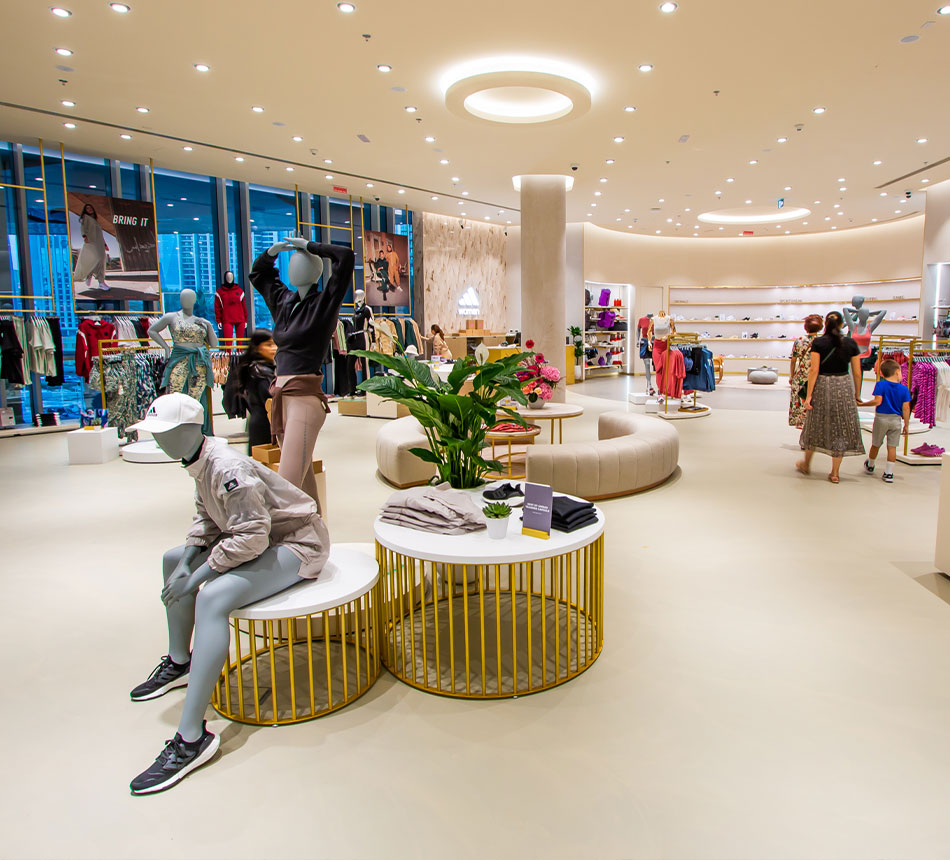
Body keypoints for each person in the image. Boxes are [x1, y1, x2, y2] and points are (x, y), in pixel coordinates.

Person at [126, 393, 329, 794]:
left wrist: (198, 575)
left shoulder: (226, 466)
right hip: (262, 536)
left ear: (190, 430)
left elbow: (251, 537)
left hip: (296, 541)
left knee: (211, 597)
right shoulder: (199, 461)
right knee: (172, 561)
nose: (160, 443)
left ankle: (190, 737)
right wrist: (186, 562)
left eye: (164, 434)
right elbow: (208, 517)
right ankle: (179, 661)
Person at [797, 311, 865, 483]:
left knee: (814, 424)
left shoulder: (819, 342)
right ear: (842, 325)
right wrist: (857, 393)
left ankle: (806, 464)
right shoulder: (850, 343)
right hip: (843, 386)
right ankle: (835, 472)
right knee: (841, 426)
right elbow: (857, 372)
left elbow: (814, 370)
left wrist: (809, 395)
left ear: (825, 325)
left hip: (823, 385)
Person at [862, 358, 911, 483]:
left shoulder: (880, 384)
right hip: (896, 420)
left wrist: (862, 404)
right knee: (892, 447)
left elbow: (877, 401)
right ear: (897, 372)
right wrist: (906, 424)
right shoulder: (904, 389)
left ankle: (871, 465)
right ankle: (889, 473)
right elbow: (906, 408)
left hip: (881, 418)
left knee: (876, 443)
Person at [237, 329, 277, 454]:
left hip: (261, 420)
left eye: (274, 344)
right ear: (258, 348)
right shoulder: (260, 372)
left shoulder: (263, 368)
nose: (273, 348)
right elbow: (269, 399)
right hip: (264, 423)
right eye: (268, 345)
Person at [788, 314, 823, 428]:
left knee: (799, 399)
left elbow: (793, 360)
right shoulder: (821, 341)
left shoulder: (799, 341)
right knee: (813, 400)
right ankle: (812, 424)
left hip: (801, 375)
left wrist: (791, 375)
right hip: (816, 375)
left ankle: (800, 423)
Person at [73, 202, 109, 291]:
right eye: (87, 208)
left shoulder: (96, 221)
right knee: (95, 259)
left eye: (90, 208)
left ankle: (100, 281)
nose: (89, 209)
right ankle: (92, 277)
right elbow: (83, 228)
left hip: (99, 243)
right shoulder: (86, 218)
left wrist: (104, 244)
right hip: (91, 241)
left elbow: (100, 234)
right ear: (85, 210)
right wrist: (84, 236)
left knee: (101, 260)